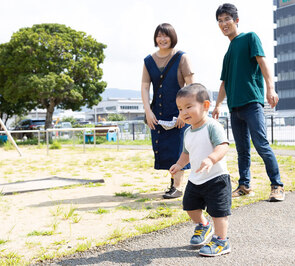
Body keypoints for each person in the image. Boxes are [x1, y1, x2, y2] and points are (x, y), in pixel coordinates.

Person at [213, 3, 285, 202]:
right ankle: (245, 185)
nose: (223, 23)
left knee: (261, 144)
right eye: (220, 21)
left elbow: (263, 63)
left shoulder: (250, 37)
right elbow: (224, 83)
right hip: (234, 107)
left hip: (252, 103)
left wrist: (271, 88)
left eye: (227, 19)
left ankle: (277, 185)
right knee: (242, 150)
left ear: (236, 20)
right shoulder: (228, 53)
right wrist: (218, 104)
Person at [170, 83, 231, 256]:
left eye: (189, 107)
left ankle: (221, 240)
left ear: (205, 106)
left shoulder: (212, 126)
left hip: (216, 178)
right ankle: (203, 225)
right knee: (189, 206)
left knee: (219, 212)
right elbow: (186, 152)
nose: (184, 113)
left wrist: (211, 158)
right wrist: (179, 165)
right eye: (180, 109)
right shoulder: (187, 132)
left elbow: (223, 146)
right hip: (196, 179)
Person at [141, 23, 194, 199]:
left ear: (172, 37)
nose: (162, 39)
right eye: (159, 36)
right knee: (163, 148)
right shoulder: (149, 60)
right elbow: (144, 86)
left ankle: (177, 187)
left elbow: (191, 86)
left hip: (178, 111)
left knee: (179, 149)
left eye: (166, 35)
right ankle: (174, 183)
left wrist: (183, 113)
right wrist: (148, 111)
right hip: (158, 112)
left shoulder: (182, 57)